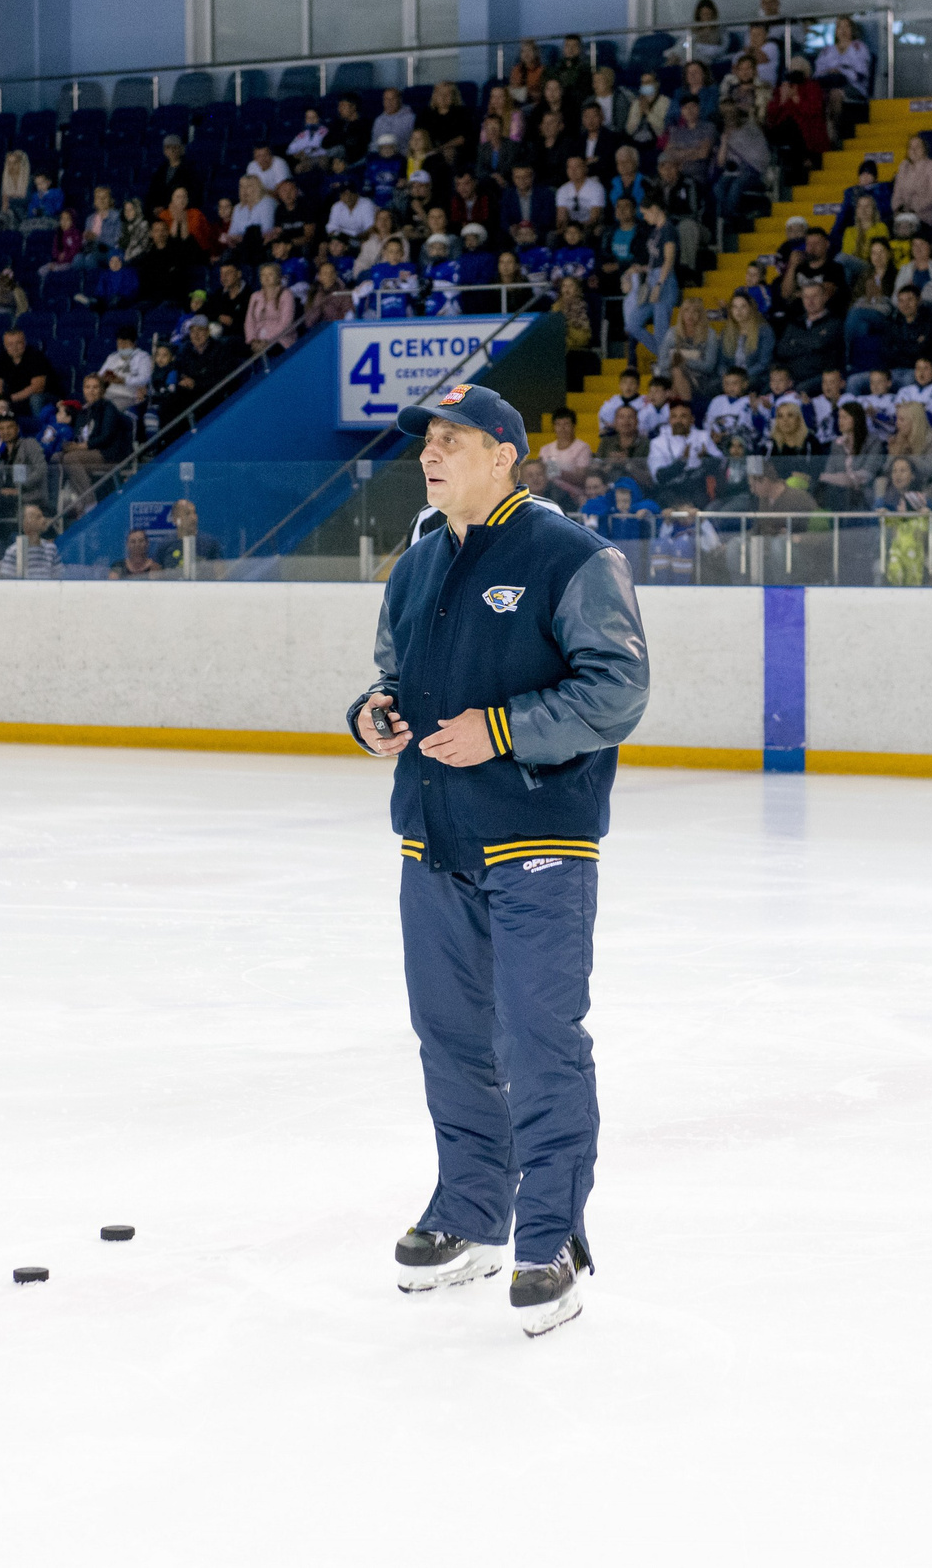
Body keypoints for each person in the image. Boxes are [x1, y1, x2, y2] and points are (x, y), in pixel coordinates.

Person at [345, 381, 649, 1339]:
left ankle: (551, 1236)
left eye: (452, 441)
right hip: (432, 840)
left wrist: (507, 728)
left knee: (538, 1037)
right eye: (426, 442)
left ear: (503, 457)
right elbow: (394, 671)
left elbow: (618, 687)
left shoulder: (571, 556)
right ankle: (471, 1213)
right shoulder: (418, 562)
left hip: (539, 842)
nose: (430, 456)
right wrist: (373, 716)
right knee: (451, 1035)